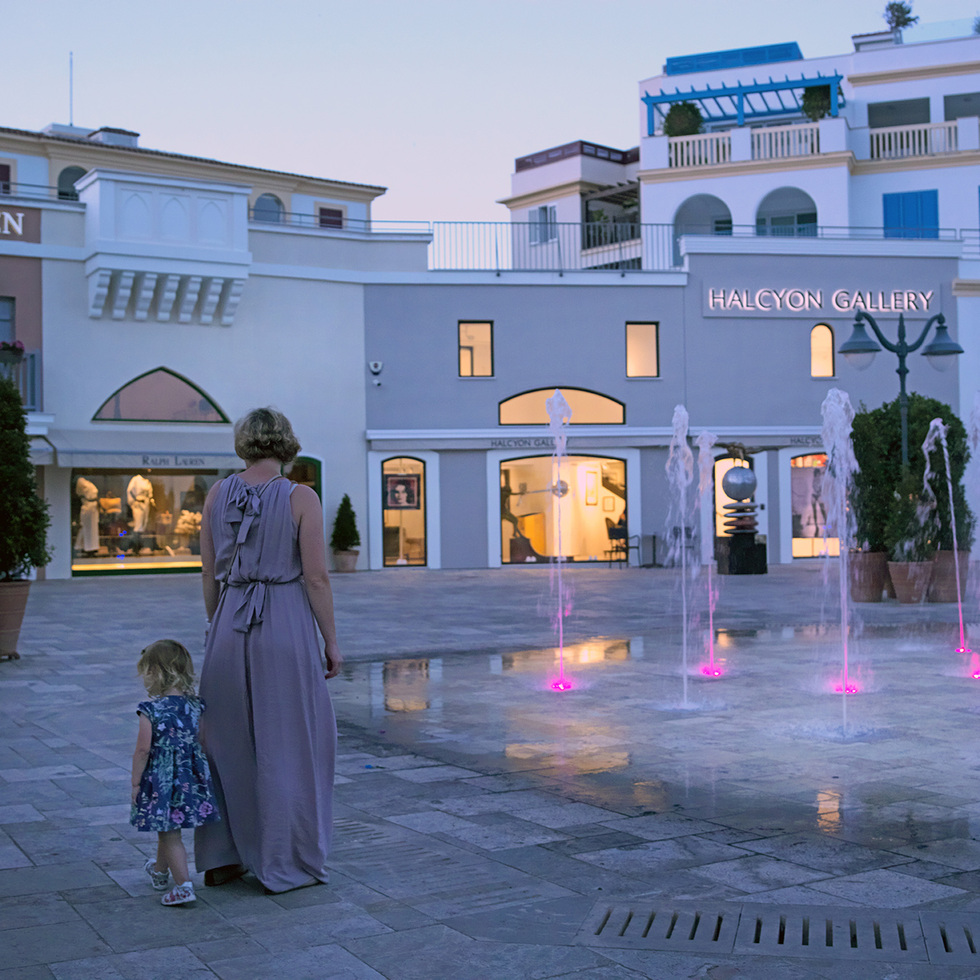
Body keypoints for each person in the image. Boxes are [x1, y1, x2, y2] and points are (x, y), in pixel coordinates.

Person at [194, 407, 342, 893]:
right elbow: (316, 577)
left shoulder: (216, 494)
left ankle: (223, 857)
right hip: (283, 624)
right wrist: (331, 640)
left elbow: (209, 572)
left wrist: (216, 624)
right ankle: (286, 858)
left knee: (224, 743)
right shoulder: (301, 497)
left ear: (244, 443)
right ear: (286, 442)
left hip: (229, 623)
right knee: (288, 744)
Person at [130, 639, 219, 907]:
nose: (144, 680)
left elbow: (143, 750)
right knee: (167, 828)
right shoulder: (196, 706)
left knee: (169, 834)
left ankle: (183, 886)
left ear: (156, 672)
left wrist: (136, 783)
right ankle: (160, 872)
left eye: (145, 673)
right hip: (190, 779)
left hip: (162, 782)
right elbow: (202, 741)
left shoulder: (150, 709)